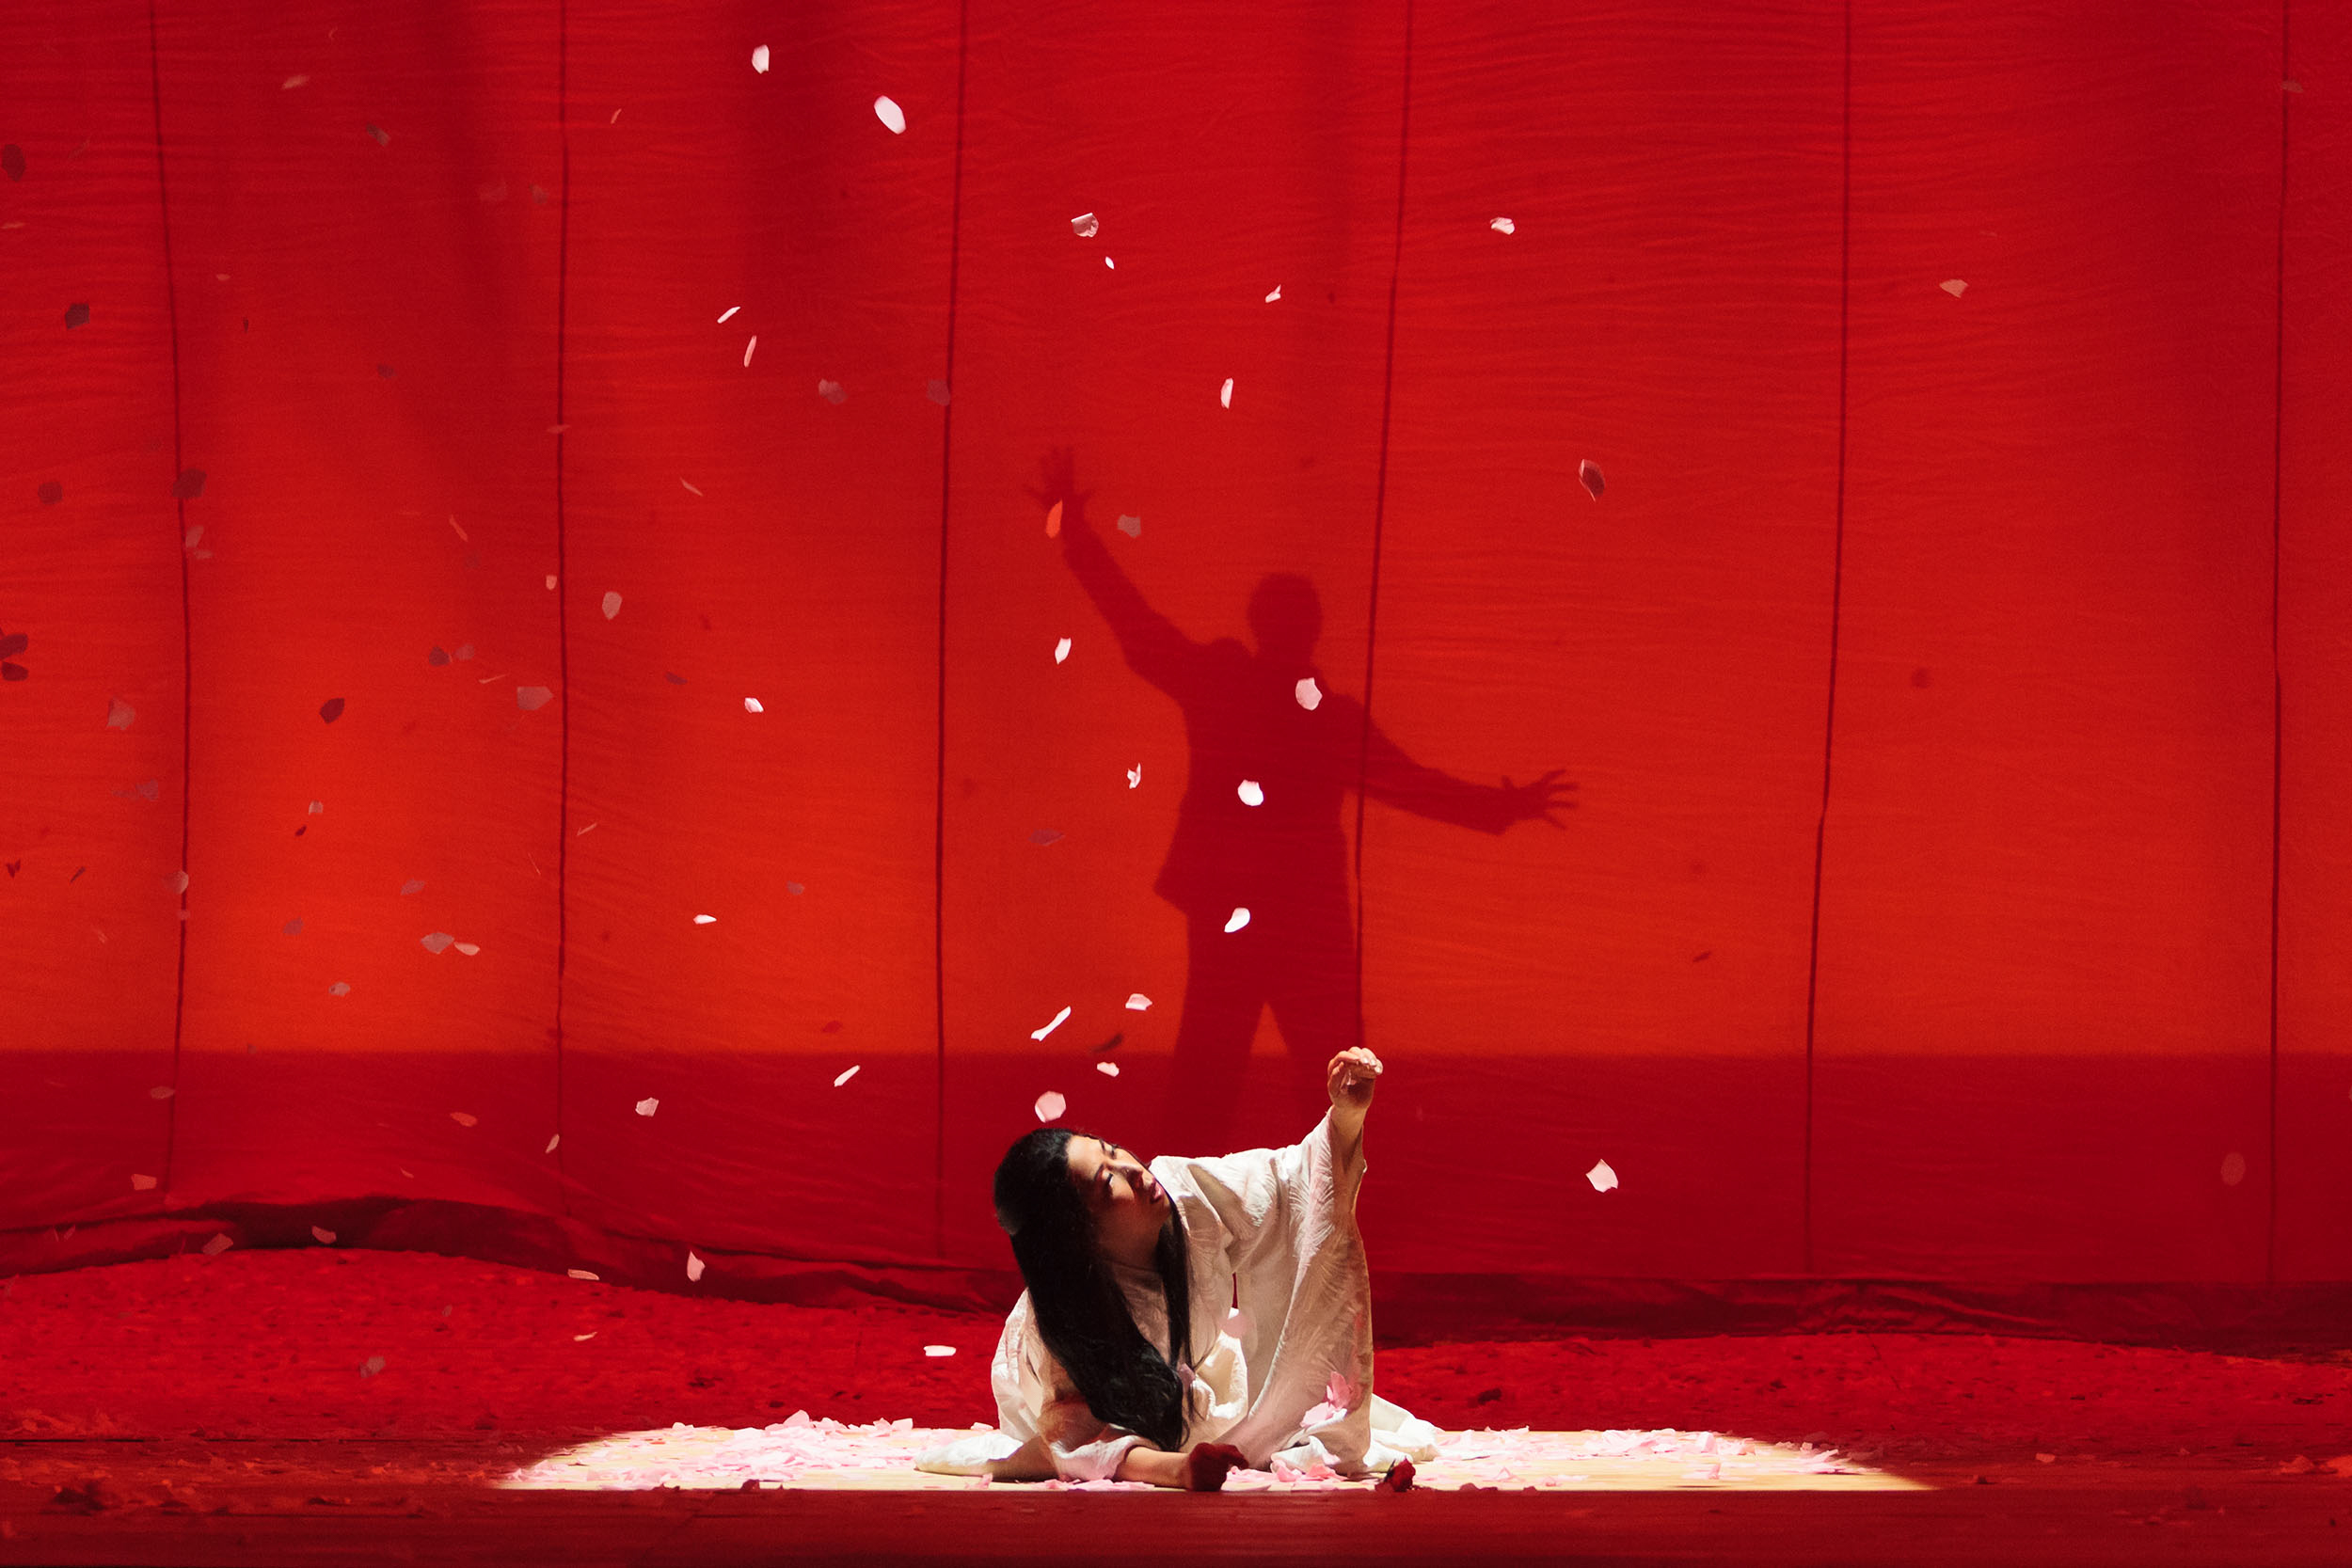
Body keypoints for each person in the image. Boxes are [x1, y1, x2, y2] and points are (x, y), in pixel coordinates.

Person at [1033, 449, 1573, 1148]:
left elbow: (1139, 631)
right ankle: (1324, 1213)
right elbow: (1414, 785)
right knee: (1317, 1072)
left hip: (1233, 903)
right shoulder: (1323, 714)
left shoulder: (1229, 682)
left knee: (1217, 1067)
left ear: (1262, 623)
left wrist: (1076, 535)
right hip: (1303, 912)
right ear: (1312, 627)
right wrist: (1505, 808)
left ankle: (1189, 1215)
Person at [914, 1046, 1440, 1489]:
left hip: (1189, 1367)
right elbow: (1079, 1444)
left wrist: (1345, 1115)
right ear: (1083, 1237)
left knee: (1278, 1408)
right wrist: (1180, 1470)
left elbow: (1289, 1182)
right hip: (1073, 1392)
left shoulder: (1183, 1191)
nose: (1131, 1168)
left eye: (1113, 1150)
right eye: (1107, 1183)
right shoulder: (1063, 1336)